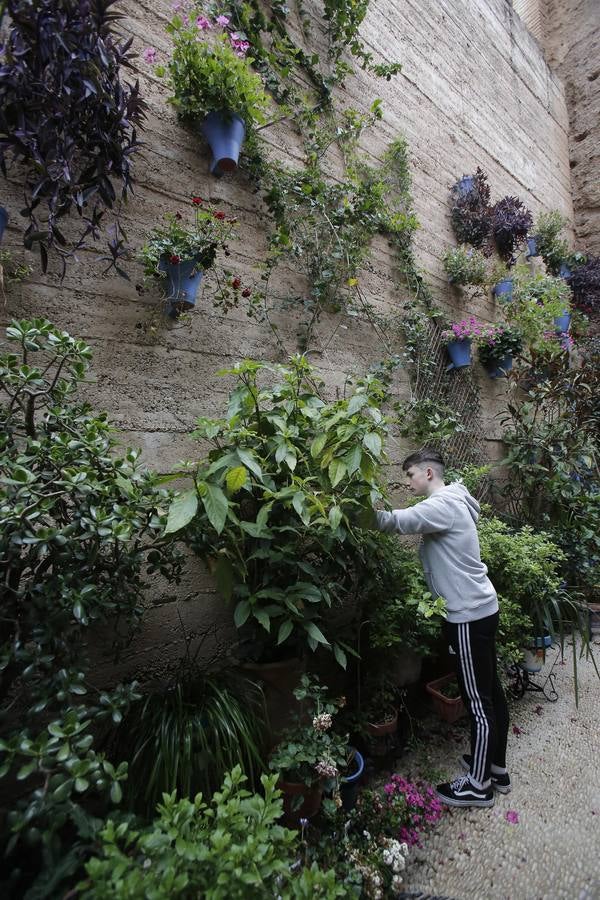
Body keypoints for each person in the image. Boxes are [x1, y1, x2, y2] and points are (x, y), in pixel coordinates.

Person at [372, 448, 510, 808]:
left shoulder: (441, 505)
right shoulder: (454, 501)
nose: (408, 482)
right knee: (491, 692)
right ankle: (496, 768)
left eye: (411, 475)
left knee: (478, 703)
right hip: (482, 608)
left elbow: (395, 522)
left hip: (467, 615)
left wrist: (358, 513)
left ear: (429, 473)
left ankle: (479, 786)